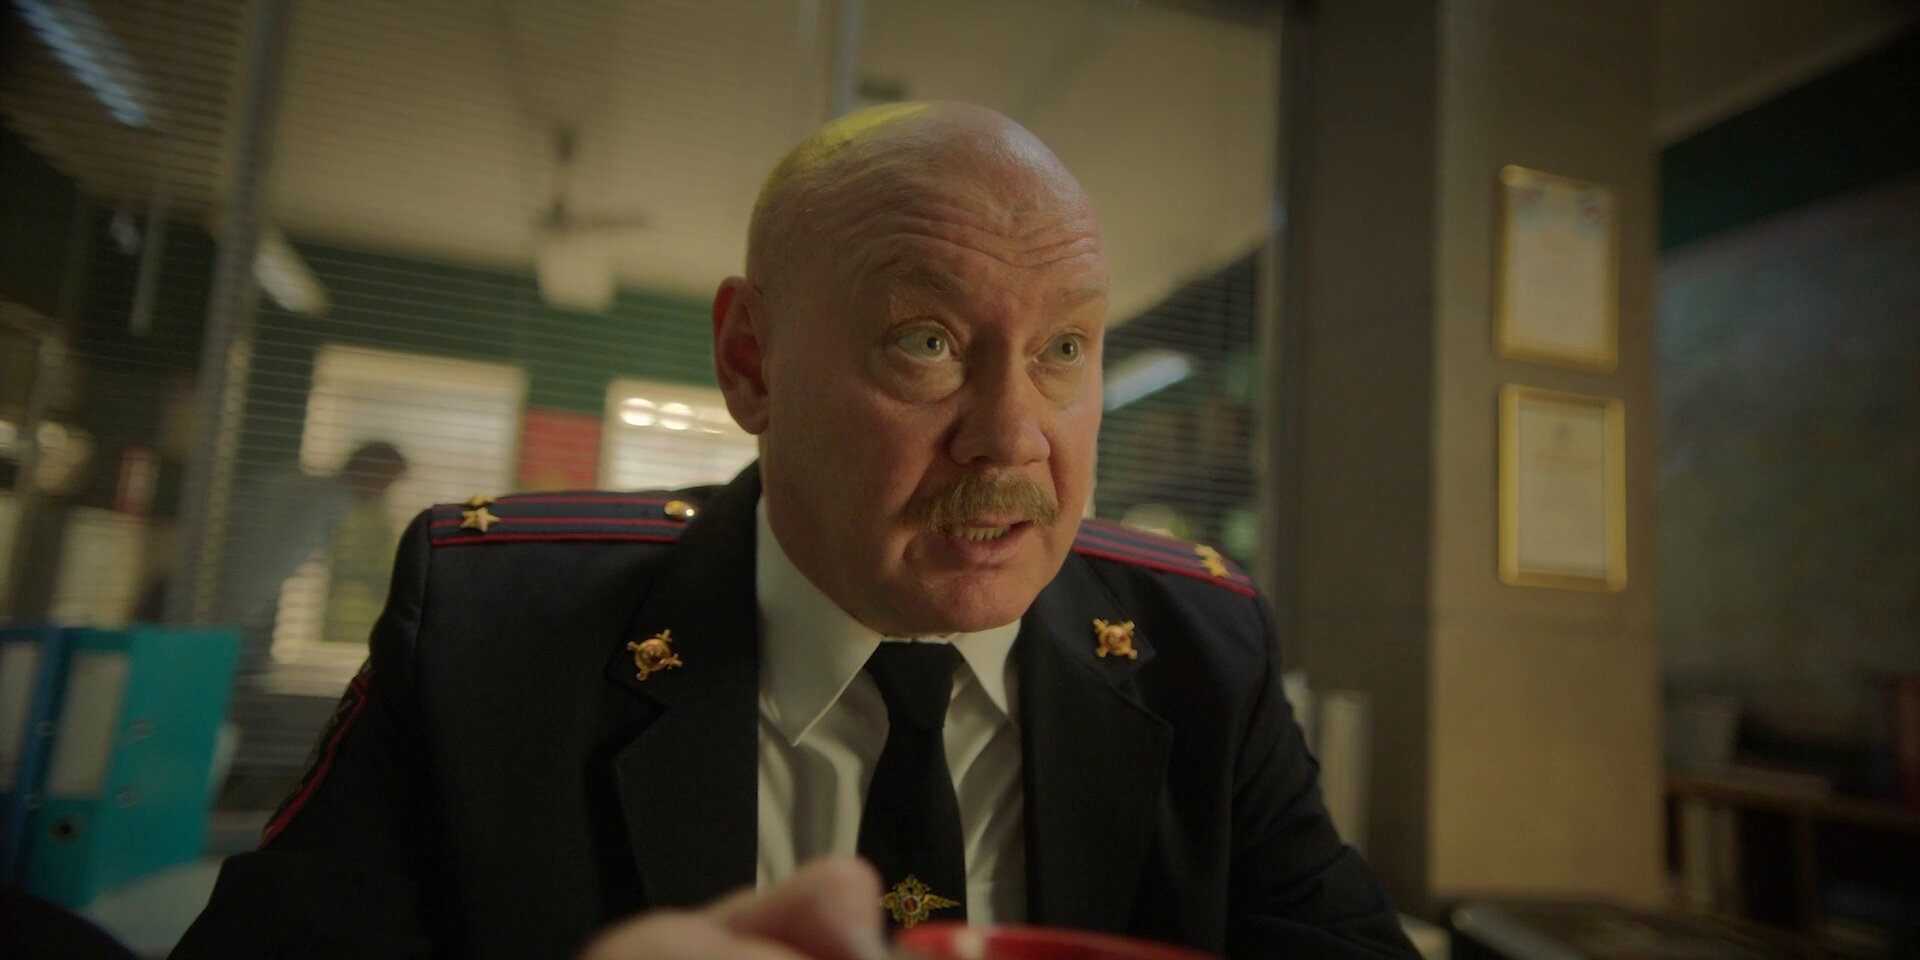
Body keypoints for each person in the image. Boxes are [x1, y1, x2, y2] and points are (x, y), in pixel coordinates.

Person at [172, 103, 1416, 959]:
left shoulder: (1202, 652)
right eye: (927, 341)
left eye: (1063, 350)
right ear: (751, 363)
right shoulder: (489, 635)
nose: (1012, 438)